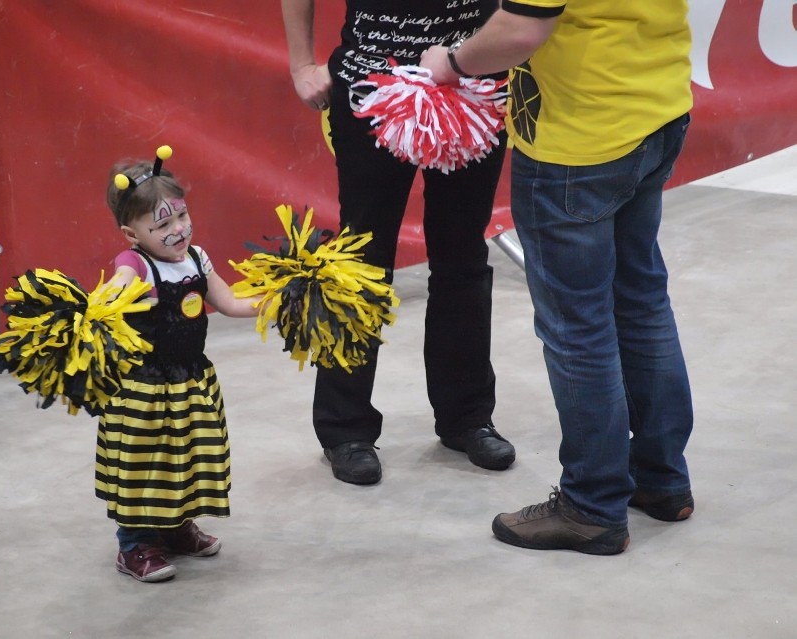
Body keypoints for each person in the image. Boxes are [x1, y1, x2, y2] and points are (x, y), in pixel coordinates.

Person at [421, 0, 695, 554]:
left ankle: (592, 504)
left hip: (579, 140)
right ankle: (662, 479)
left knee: (578, 330)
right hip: (657, 108)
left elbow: (522, 28)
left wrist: (451, 62)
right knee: (641, 302)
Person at [280, 0, 517, 486]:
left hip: (473, 86)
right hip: (372, 88)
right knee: (359, 264)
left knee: (464, 258)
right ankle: (344, 428)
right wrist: (301, 62)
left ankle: (468, 417)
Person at [98, 147, 260, 582]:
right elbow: (117, 285)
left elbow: (231, 304)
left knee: (186, 456)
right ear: (133, 235)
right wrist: (107, 302)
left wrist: (284, 300)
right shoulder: (135, 264)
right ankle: (134, 544)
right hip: (144, 389)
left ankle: (174, 527)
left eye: (182, 217)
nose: (179, 230)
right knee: (144, 462)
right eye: (163, 224)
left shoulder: (197, 259)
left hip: (191, 380)